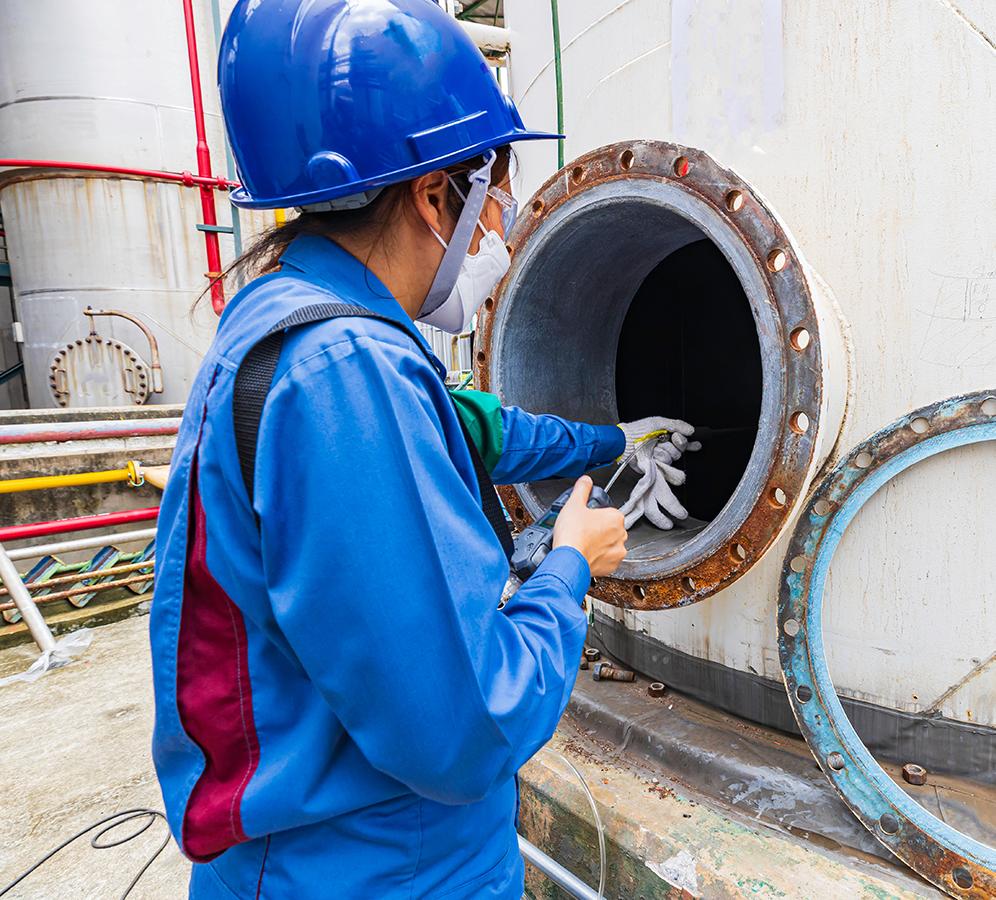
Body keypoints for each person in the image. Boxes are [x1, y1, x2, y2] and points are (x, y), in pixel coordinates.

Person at [148, 1, 695, 897]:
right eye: (494, 197)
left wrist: (613, 438)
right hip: (381, 868)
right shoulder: (346, 374)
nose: (501, 228)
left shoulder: (299, 325)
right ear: (436, 195)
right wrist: (569, 567)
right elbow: (466, 727)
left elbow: (476, 428)